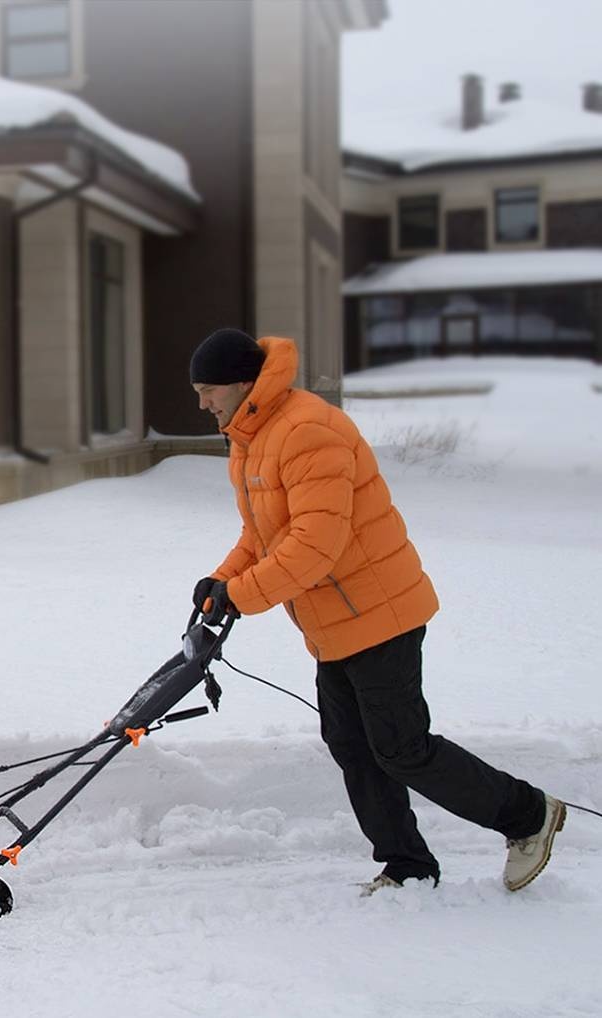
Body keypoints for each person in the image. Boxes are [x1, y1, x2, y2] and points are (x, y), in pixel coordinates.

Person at [187, 327, 564, 895]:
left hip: (379, 612)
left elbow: (316, 546)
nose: (202, 403)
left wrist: (242, 596)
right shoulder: (252, 438)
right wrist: (224, 577)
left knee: (403, 749)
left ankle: (529, 816)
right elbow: (264, 533)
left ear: (242, 383)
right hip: (333, 621)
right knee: (353, 746)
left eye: (208, 389)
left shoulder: (307, 429)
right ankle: (407, 865)